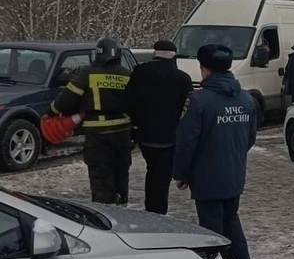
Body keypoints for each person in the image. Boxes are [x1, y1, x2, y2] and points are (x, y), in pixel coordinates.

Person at [173, 44, 257, 259]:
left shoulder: (198, 102)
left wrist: (182, 174)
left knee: (211, 229)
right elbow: (250, 137)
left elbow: (186, 143)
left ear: (205, 70)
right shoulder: (246, 99)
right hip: (234, 173)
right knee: (231, 219)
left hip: (207, 175)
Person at [47, 36, 131, 205]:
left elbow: (66, 101)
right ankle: (122, 207)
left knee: (101, 176)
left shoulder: (87, 74)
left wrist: (50, 112)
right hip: (123, 132)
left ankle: (104, 216)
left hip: (98, 134)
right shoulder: (127, 74)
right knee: (121, 172)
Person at [124, 40, 193, 215]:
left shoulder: (139, 72)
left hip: (146, 136)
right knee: (162, 176)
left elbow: (128, 101)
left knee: (152, 171)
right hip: (170, 137)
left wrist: (137, 123)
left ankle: (151, 209)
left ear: (155, 54)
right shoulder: (182, 78)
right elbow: (188, 110)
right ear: (173, 56)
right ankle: (158, 212)